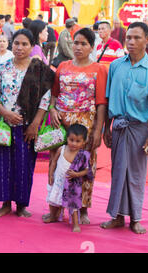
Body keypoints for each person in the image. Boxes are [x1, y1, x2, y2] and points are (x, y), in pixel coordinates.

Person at [101, 22, 148, 234]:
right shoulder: (116, 66)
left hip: (140, 129)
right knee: (118, 173)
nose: (131, 42)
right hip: (118, 126)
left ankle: (136, 217)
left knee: (136, 175)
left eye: (137, 38)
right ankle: (117, 216)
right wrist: (105, 129)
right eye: (128, 37)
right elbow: (108, 99)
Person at [0, 29, 54, 218]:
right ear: (11, 44)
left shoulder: (38, 69)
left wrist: (35, 124)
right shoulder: (2, 68)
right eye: (16, 43)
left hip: (28, 127)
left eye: (25, 44)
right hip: (4, 125)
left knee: (24, 165)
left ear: (32, 47)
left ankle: (21, 204)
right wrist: (6, 113)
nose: (20, 47)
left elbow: (45, 99)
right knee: (2, 164)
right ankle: (5, 203)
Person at [46, 28, 108, 225]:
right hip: (60, 125)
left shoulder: (98, 69)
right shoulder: (62, 66)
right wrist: (53, 109)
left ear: (92, 47)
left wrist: (98, 130)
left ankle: (82, 209)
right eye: (76, 42)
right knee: (56, 166)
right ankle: (55, 208)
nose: (78, 47)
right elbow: (54, 94)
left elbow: (101, 104)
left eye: (83, 44)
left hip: (85, 126)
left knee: (83, 166)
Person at [45, 124, 94, 233]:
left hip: (72, 184)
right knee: (53, 199)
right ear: (67, 138)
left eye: (77, 141)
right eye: (71, 140)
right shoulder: (61, 149)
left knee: (73, 205)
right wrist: (50, 175)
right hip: (58, 181)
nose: (73, 143)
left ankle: (75, 224)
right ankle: (53, 215)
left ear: (83, 142)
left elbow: (87, 170)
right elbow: (53, 162)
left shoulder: (83, 155)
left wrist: (77, 174)